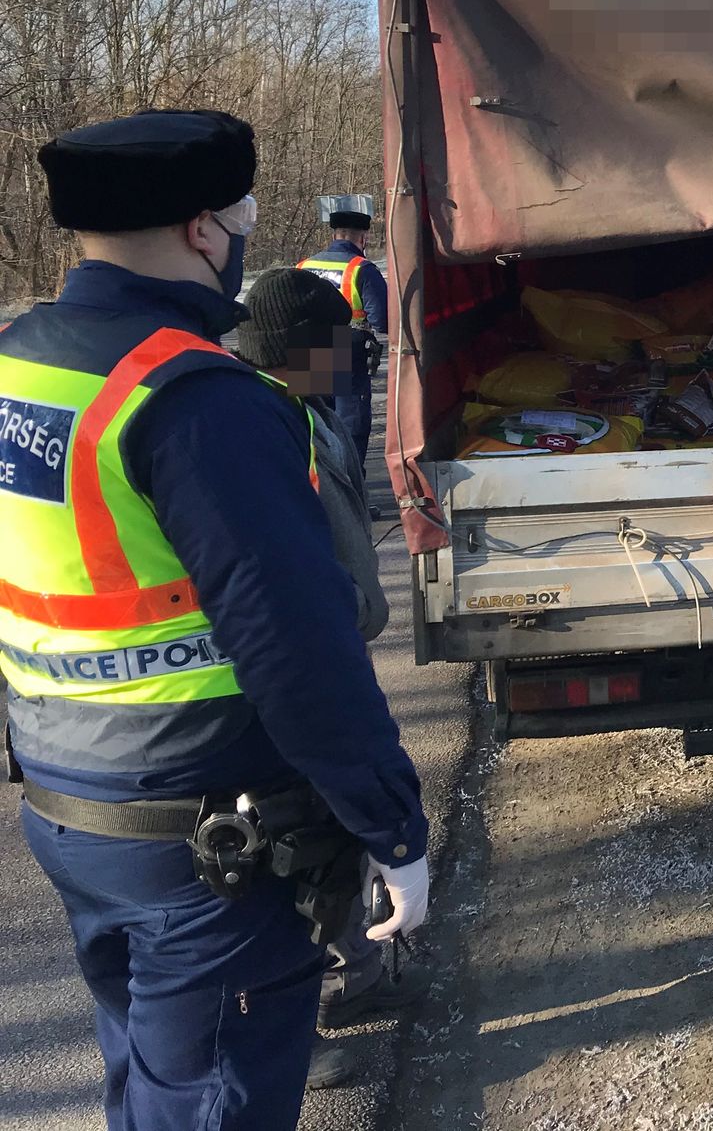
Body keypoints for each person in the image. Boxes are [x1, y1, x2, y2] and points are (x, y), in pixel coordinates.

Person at [0, 110, 431, 1128]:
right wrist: (391, 825)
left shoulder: (24, 361)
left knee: (153, 1083)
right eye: (237, 215)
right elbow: (295, 645)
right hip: (203, 838)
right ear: (205, 229)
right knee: (212, 1103)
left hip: (71, 808)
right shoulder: (196, 398)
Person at [238, 271, 433, 1041]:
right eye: (340, 348)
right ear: (298, 351)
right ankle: (304, 1013)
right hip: (306, 661)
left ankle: (358, 976)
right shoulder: (265, 431)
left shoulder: (306, 413)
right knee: (309, 846)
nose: (354, 362)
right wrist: (340, 614)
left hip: (333, 643)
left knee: (334, 841)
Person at [297, 204, 388, 475]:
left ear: (336, 234)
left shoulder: (304, 265)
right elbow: (382, 318)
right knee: (351, 426)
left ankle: (320, 491)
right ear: (363, 238)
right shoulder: (361, 268)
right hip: (347, 344)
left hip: (309, 341)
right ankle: (352, 495)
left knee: (315, 423)